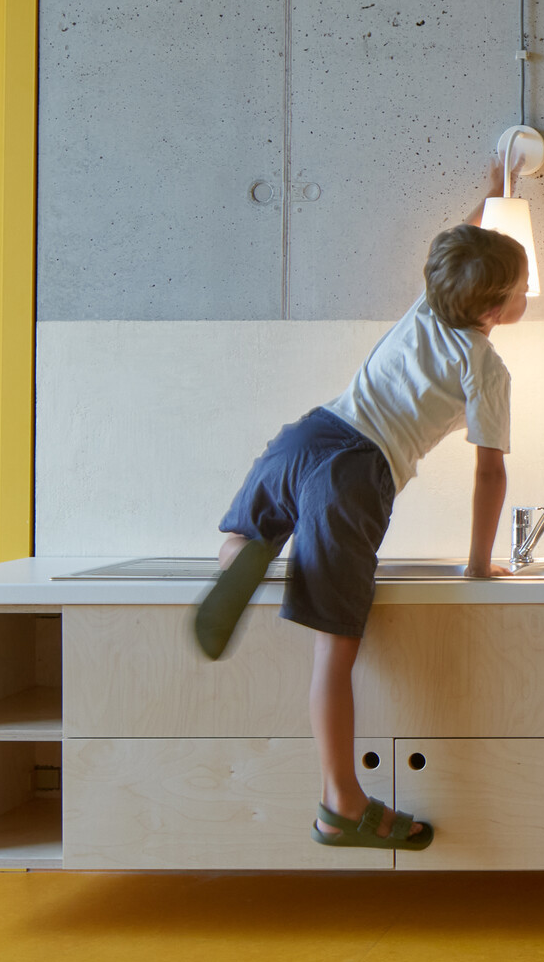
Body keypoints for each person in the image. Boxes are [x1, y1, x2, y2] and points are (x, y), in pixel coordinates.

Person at [191, 160, 525, 852]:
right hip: (357, 475)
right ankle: (340, 802)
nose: (528, 297)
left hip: (310, 434)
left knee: (245, 532)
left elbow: (460, 245)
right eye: (522, 290)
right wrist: (477, 565)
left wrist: (494, 193)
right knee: (334, 653)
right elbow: (489, 473)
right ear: (494, 311)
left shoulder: (426, 306)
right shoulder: (485, 366)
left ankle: (242, 557)